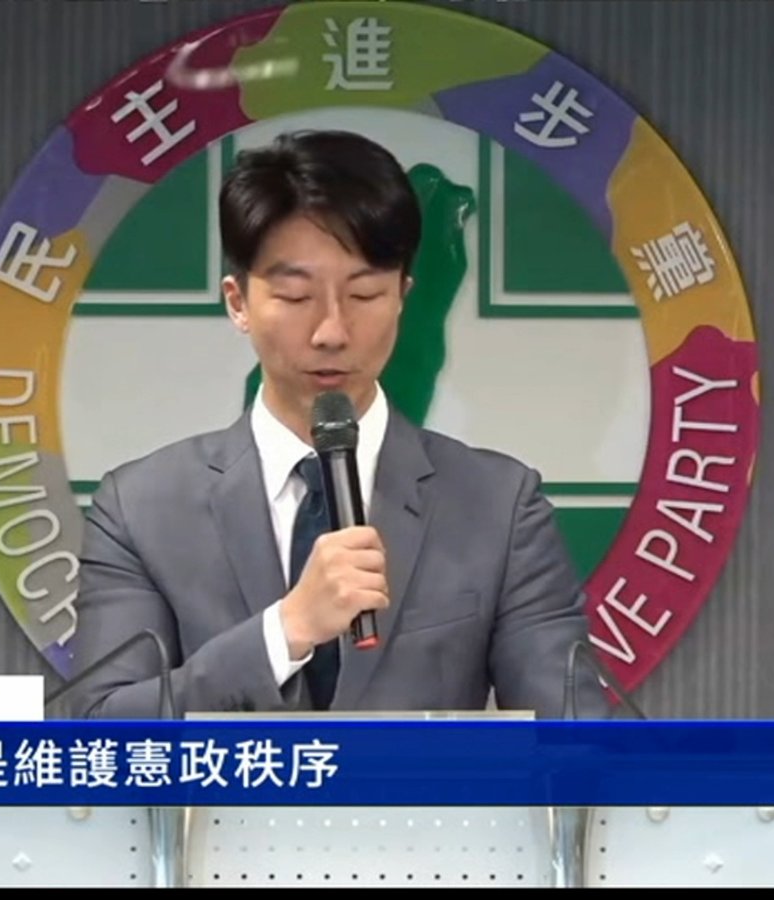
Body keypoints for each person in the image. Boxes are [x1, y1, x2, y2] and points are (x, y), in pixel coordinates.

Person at [67, 130, 610, 719]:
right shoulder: (141, 508)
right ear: (238, 302)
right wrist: (285, 630)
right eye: (295, 297)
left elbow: (575, 738)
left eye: (365, 294)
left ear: (402, 296)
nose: (332, 332)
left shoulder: (499, 505)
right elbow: (100, 728)